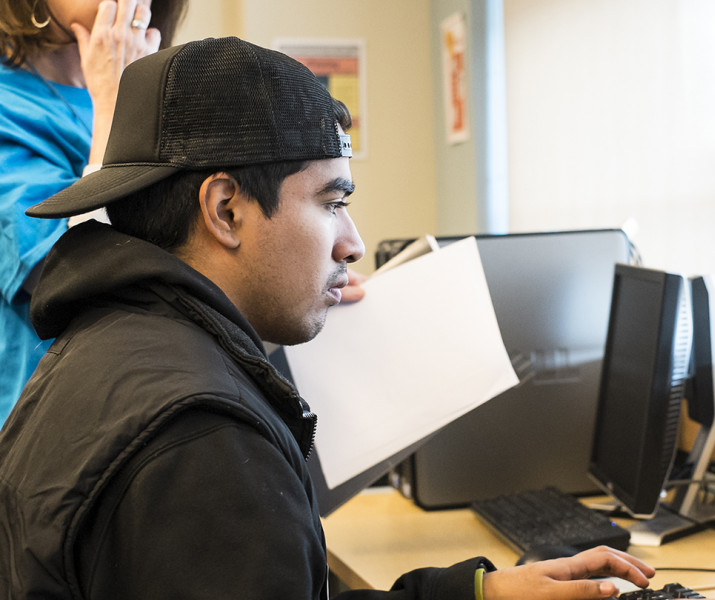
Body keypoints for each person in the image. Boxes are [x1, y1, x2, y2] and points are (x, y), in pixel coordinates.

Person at [0, 37, 655, 599]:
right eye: (331, 201)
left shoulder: (110, 349)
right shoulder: (202, 435)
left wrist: (476, 590)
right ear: (225, 209)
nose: (353, 241)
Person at [0, 0, 187, 424]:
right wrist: (117, 103)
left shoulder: (161, 92)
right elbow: (69, 278)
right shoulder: (10, 104)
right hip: (53, 419)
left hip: (159, 397)